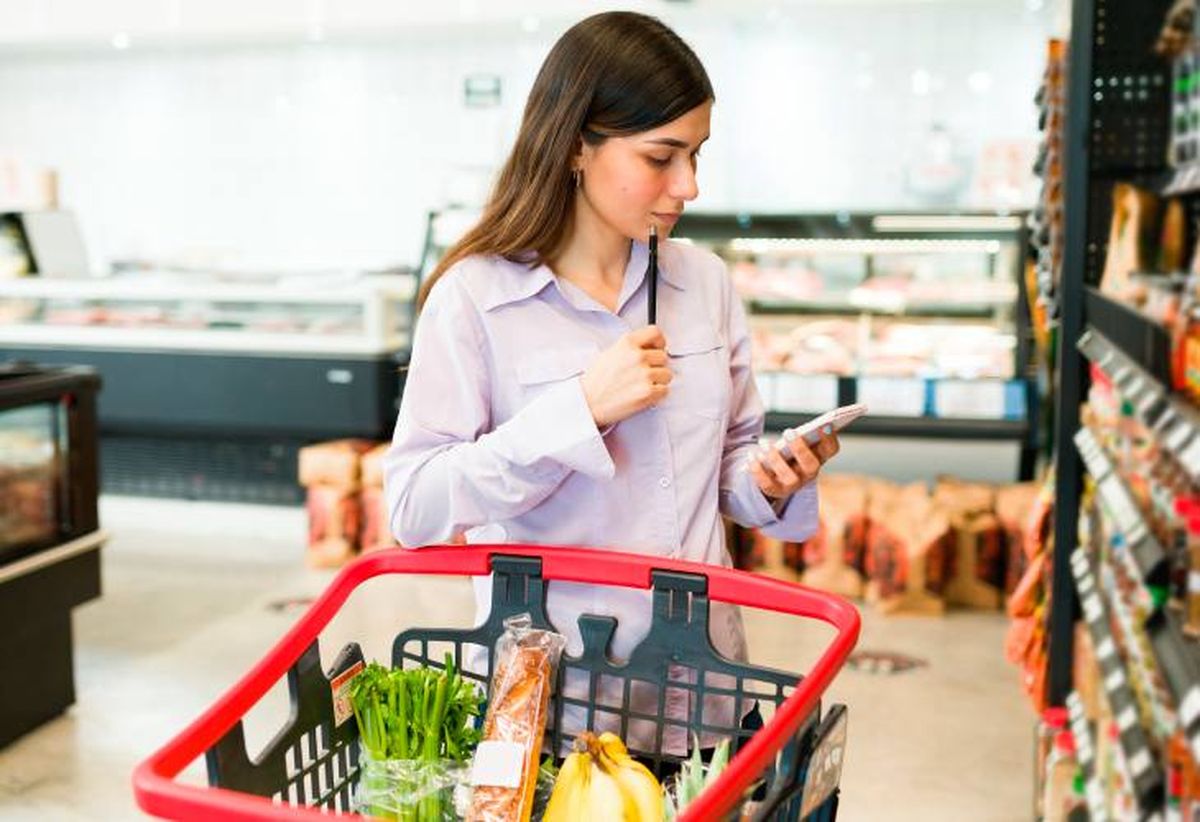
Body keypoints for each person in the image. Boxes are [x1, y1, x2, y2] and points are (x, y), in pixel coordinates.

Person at [383, 10, 840, 757]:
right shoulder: (475, 299)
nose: (688, 185)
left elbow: (725, 467)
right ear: (574, 146)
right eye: (662, 157)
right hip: (552, 710)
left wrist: (773, 480)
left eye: (696, 154)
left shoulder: (704, 283)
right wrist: (580, 411)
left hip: (704, 691)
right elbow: (414, 506)